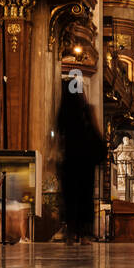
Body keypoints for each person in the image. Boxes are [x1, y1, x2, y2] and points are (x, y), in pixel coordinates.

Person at [55, 90, 105, 243]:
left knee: (71, 197)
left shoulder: (64, 114)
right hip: (85, 162)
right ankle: (83, 234)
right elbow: (97, 134)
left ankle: (70, 233)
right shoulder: (87, 112)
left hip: (71, 161)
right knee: (85, 196)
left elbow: (58, 136)